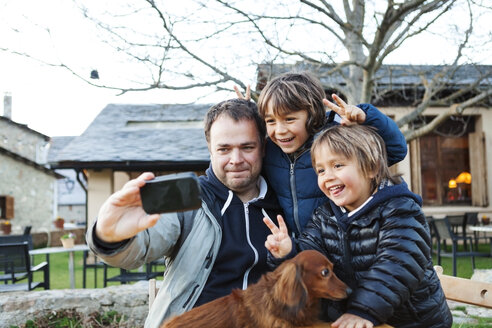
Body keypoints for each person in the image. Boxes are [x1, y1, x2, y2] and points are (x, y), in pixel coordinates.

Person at [86, 99, 283, 328]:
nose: (236, 160)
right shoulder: (189, 200)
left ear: (263, 147)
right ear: (210, 149)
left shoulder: (282, 203)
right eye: (224, 149)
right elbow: (145, 243)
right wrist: (109, 235)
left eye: (247, 147)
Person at [264, 124, 452, 328]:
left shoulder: (400, 210)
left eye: (338, 166)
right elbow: (311, 258)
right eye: (320, 170)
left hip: (413, 322)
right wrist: (288, 251)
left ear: (371, 168)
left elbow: (396, 265)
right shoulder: (325, 217)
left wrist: (363, 311)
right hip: (359, 320)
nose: (328, 176)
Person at [236, 71, 407, 236]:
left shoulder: (336, 140)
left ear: (312, 116)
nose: (279, 130)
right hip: (300, 245)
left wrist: (367, 117)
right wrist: (248, 118)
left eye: (289, 119)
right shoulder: (269, 150)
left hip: (341, 241)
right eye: (271, 121)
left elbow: (396, 150)